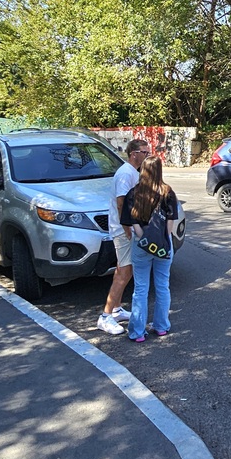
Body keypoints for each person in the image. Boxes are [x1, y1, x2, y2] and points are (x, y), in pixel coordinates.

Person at [120, 154, 179, 343]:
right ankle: (161, 326)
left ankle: (138, 332)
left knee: (140, 289)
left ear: (142, 170)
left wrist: (143, 239)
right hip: (163, 245)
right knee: (162, 286)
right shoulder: (167, 192)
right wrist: (162, 240)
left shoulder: (134, 193)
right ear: (160, 170)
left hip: (142, 245)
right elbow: (170, 222)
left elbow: (132, 222)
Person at [96, 138, 150, 335]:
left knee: (123, 269)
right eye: (144, 152)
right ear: (134, 154)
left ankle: (116, 310)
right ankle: (105, 317)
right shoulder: (125, 174)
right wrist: (127, 228)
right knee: (124, 272)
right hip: (122, 230)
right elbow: (121, 203)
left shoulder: (132, 172)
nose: (147, 156)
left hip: (125, 229)